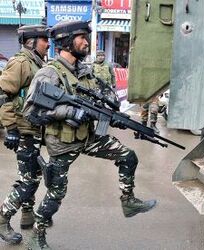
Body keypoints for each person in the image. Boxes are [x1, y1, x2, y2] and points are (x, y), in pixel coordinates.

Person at [23, 20, 156, 249]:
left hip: (88, 137)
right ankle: (36, 236)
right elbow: (30, 112)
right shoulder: (49, 73)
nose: (87, 42)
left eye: (87, 37)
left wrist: (111, 115)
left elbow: (102, 101)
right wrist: (70, 111)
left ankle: (128, 201)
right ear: (66, 41)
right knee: (55, 195)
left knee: (128, 156)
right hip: (63, 143)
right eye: (82, 37)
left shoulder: (86, 72)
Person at [0, 25, 49, 244]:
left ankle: (27, 214)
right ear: (31, 41)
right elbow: (3, 94)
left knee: (31, 172)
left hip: (33, 128)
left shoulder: (37, 62)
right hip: (22, 129)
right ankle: (3, 218)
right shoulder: (20, 63)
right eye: (43, 40)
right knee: (29, 179)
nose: (47, 43)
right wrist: (10, 128)